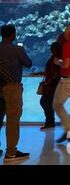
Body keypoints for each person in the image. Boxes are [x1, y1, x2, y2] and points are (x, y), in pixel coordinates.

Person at [0, 25, 32, 162]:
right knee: (12, 119)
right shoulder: (18, 49)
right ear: (13, 35)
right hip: (12, 87)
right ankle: (11, 152)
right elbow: (28, 63)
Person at [40, 42, 62, 130]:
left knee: (45, 102)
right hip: (52, 85)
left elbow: (56, 73)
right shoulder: (56, 58)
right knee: (47, 103)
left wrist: (47, 82)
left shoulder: (57, 59)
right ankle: (50, 121)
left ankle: (50, 121)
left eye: (52, 48)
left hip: (52, 85)